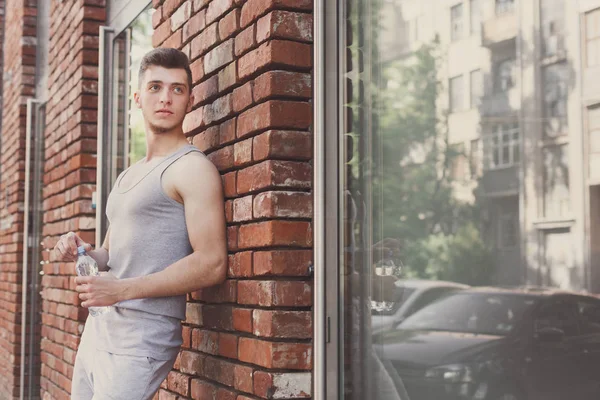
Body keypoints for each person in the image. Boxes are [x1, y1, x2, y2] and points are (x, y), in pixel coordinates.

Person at [52, 48, 227, 400]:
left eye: (177, 89)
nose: (166, 98)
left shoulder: (191, 168)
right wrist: (81, 249)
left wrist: (122, 290)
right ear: (137, 97)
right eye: (155, 87)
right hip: (101, 329)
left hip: (141, 334)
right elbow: (110, 254)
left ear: (190, 99)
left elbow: (212, 264)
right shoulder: (129, 175)